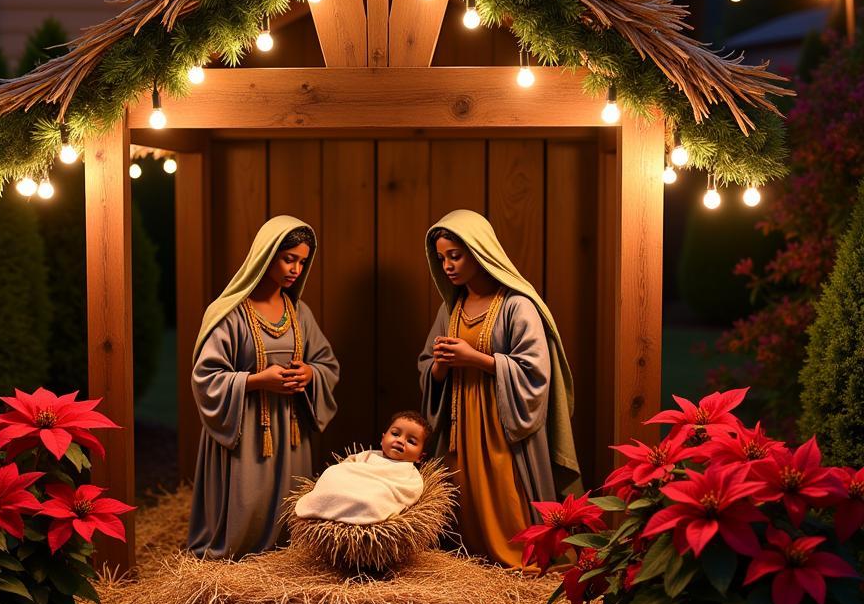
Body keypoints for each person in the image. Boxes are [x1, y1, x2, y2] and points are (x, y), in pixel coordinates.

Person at [418, 209, 581, 568]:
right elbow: (428, 365)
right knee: (465, 494)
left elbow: (535, 370)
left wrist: (476, 359)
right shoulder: (453, 308)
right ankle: (472, 561)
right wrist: (441, 366)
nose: (447, 265)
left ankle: (515, 559)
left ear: (479, 252)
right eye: (442, 258)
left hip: (502, 424)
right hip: (461, 421)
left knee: (507, 493)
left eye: (455, 256)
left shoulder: (516, 305)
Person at [188, 215, 339, 558]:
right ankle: (238, 552)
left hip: (290, 429)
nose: (296, 269)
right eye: (289, 259)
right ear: (266, 255)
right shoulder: (229, 313)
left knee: (290, 500)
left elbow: (326, 363)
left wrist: (310, 374)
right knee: (247, 502)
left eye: (302, 261)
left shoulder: (298, 311)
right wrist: (258, 381)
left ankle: (283, 554)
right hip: (245, 429)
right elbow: (206, 376)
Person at [294, 412, 429, 525]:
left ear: (420, 457)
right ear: (382, 439)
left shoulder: (410, 473)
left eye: (411, 441)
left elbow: (409, 492)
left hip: (374, 495)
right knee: (332, 472)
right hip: (351, 487)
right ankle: (328, 501)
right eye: (395, 434)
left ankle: (357, 508)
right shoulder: (368, 455)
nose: (400, 440)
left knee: (374, 499)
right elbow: (347, 467)